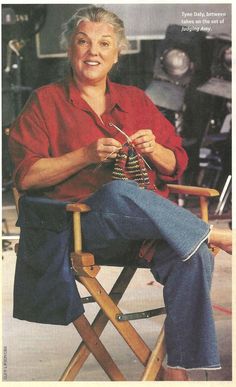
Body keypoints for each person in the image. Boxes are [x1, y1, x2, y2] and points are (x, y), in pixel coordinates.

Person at [9, 6, 232, 381]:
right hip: (83, 231)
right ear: (70, 50)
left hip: (148, 231)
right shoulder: (45, 101)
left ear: (117, 53)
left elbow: (174, 161)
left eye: (104, 43)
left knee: (190, 257)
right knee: (115, 192)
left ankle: (177, 371)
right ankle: (210, 232)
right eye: (83, 41)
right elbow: (27, 177)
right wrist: (84, 155)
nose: (92, 51)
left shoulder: (135, 100)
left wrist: (152, 150)